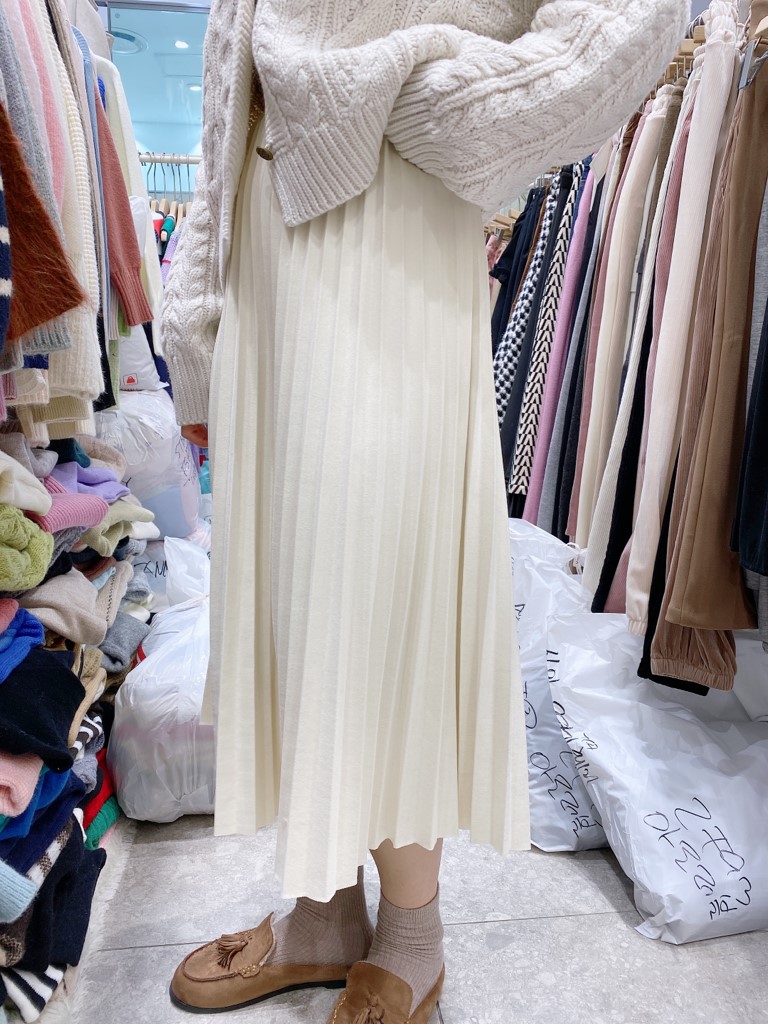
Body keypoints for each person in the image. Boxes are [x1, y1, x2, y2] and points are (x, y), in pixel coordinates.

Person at [162, 1, 687, 1019]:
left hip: (389, 236)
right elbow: (236, 75)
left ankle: (413, 935)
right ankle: (324, 914)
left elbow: (635, 18)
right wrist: (198, 317)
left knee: (380, 598)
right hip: (264, 261)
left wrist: (430, 105)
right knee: (299, 599)